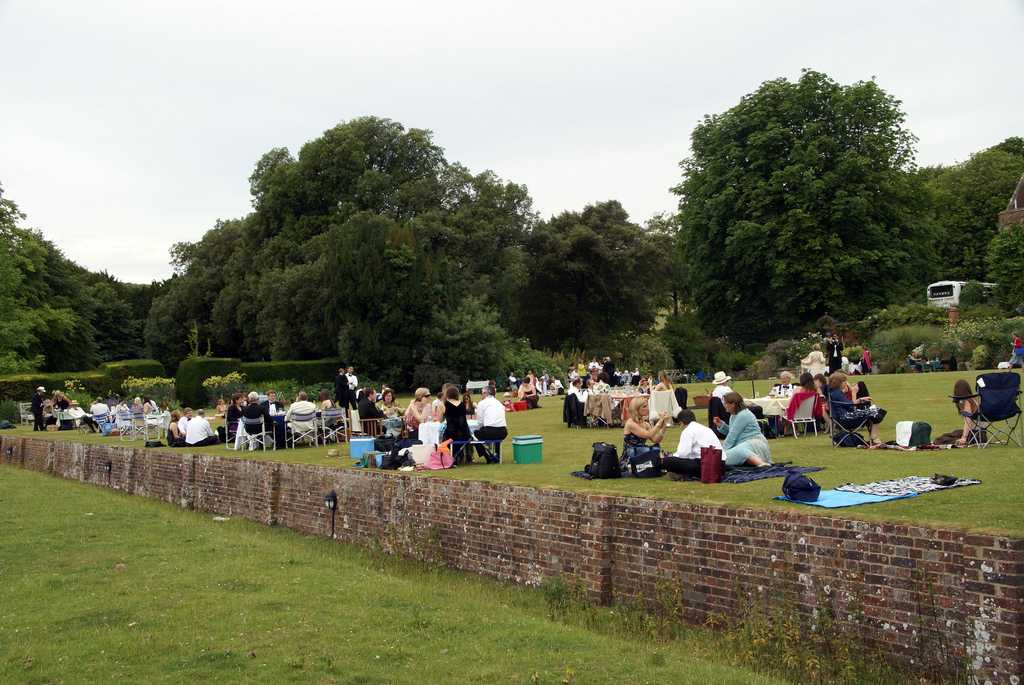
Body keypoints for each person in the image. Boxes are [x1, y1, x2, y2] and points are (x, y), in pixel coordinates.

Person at [713, 392, 772, 467]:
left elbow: (732, 437)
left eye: (725, 403)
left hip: (754, 444)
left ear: (733, 404)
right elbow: (733, 432)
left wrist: (722, 452)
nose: (724, 406)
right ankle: (753, 462)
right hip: (745, 444)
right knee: (720, 451)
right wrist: (722, 425)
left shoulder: (743, 415)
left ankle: (761, 463)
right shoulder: (734, 415)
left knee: (733, 453)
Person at [662, 408, 724, 479]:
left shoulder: (688, 431)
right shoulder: (706, 429)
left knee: (667, 461)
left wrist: (670, 456)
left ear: (681, 423)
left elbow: (683, 454)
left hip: (707, 466)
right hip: (721, 465)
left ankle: (680, 474)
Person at [827, 372, 885, 445]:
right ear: (839, 383)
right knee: (876, 410)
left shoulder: (834, 393)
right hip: (846, 419)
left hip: (844, 418)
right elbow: (851, 407)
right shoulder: (837, 393)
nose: (846, 383)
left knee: (875, 410)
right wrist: (854, 393)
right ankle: (874, 437)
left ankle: (874, 436)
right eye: (845, 381)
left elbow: (848, 404)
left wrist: (861, 399)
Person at [473, 386, 508, 462]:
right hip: (503, 432)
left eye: (482, 393)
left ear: (486, 393)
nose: (481, 395)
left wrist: (479, 429)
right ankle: (497, 454)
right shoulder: (499, 403)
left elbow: (480, 422)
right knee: (496, 436)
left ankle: (487, 455)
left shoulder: (481, 403)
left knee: (473, 434)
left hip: (489, 432)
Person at [442, 386, 472, 463]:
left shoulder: (446, 404)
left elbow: (449, 420)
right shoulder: (462, 404)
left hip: (452, 433)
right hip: (463, 433)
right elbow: (462, 421)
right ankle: (464, 456)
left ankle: (447, 457)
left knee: (443, 437)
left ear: (448, 394)